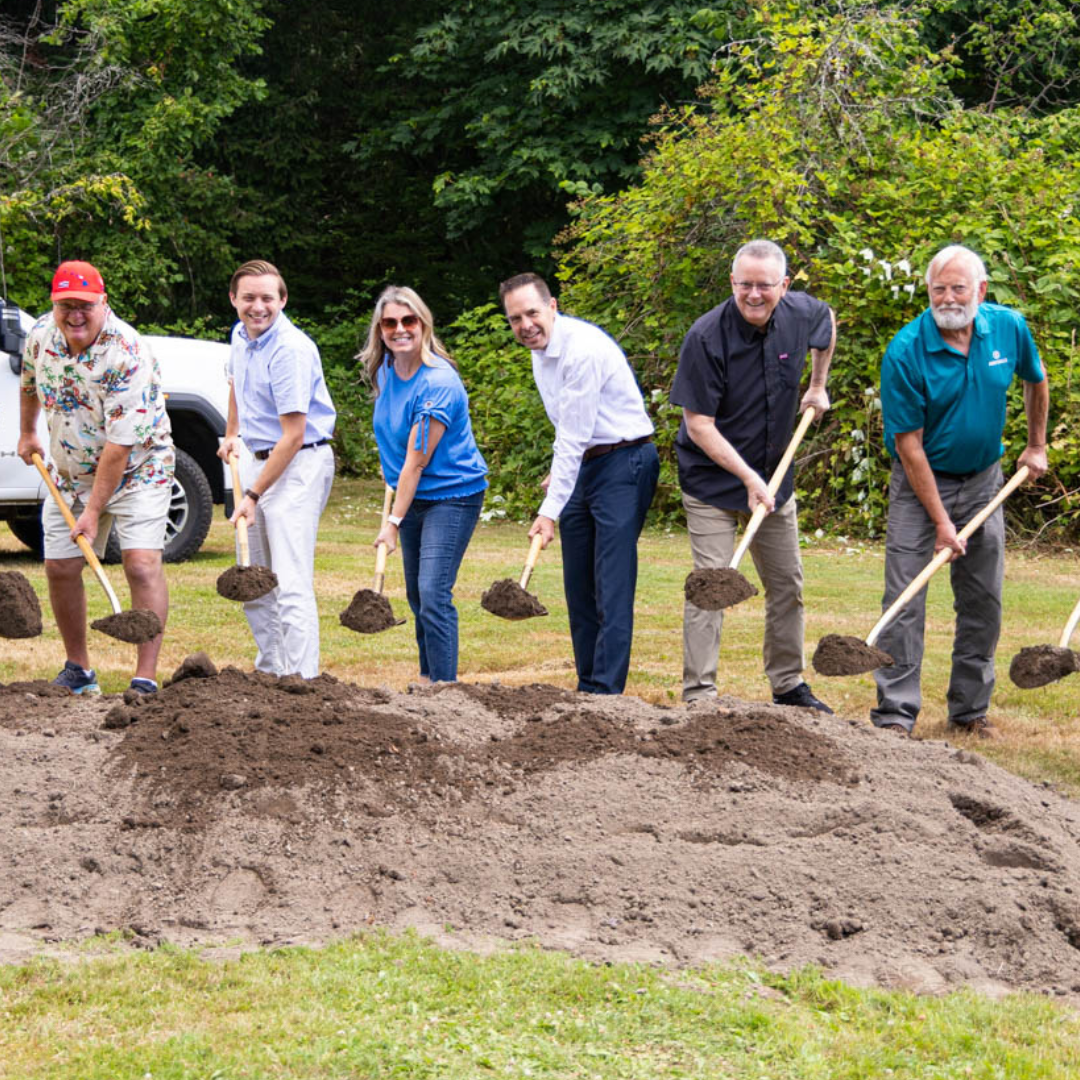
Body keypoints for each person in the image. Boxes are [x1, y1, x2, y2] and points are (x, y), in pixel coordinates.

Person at [872, 244, 1048, 739]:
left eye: (958, 288)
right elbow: (909, 446)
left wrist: (1036, 445)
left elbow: (1036, 380)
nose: (948, 298)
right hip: (919, 486)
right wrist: (942, 523)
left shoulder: (1008, 328)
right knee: (904, 600)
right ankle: (895, 714)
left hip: (985, 482)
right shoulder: (906, 351)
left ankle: (969, 711)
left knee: (983, 601)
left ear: (981, 290)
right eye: (938, 289)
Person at [670, 239, 836, 711]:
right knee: (710, 586)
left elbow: (827, 323)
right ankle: (700, 695)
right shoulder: (706, 337)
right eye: (745, 285)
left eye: (765, 285)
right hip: (712, 482)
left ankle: (788, 685)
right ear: (732, 282)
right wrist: (747, 478)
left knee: (787, 585)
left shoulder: (801, 314)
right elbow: (699, 425)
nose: (754, 294)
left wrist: (817, 386)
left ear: (784, 285)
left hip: (773, 478)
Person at [17, 260, 172, 695]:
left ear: (103, 302)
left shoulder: (128, 353)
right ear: (54, 305)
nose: (75, 315)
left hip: (139, 468)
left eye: (85, 305)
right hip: (70, 472)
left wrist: (92, 512)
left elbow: (120, 446)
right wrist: (28, 431)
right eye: (66, 305)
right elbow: (28, 382)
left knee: (140, 565)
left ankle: (144, 680)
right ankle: (79, 671)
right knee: (60, 566)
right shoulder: (41, 335)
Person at [500, 272, 659, 695]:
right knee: (578, 585)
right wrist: (562, 474)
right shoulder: (540, 352)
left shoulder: (582, 350)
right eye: (515, 319)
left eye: (532, 313)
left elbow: (573, 435)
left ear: (552, 306)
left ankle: (605, 693)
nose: (525, 325)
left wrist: (547, 512)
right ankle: (587, 686)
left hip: (624, 463)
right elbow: (569, 431)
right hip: (587, 463)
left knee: (611, 582)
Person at [358, 286, 488, 684]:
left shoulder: (439, 383)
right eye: (390, 322)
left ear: (423, 324)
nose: (400, 329)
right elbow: (394, 437)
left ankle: (445, 690)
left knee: (433, 591)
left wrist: (392, 523)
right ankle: (428, 677)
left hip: (453, 495)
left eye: (408, 320)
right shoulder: (386, 371)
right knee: (417, 594)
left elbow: (417, 460)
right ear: (380, 330)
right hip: (413, 493)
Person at [217, 259, 336, 679]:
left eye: (267, 298)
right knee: (254, 577)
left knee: (288, 580)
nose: (258, 306)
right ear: (234, 299)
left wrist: (252, 496)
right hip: (256, 458)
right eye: (248, 297)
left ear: (282, 300)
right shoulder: (240, 336)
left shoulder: (290, 350)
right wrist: (232, 433)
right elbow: (236, 383)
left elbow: (294, 435)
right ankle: (270, 671)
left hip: (299, 463)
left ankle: (302, 681)